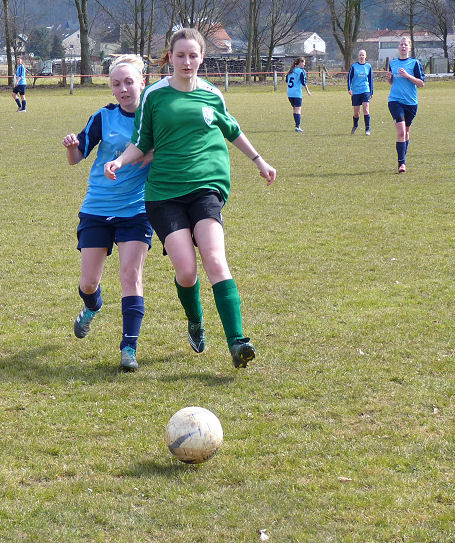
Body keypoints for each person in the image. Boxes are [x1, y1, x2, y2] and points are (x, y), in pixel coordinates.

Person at [104, 28, 276, 369]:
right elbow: (141, 141)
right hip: (164, 194)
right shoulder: (154, 96)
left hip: (205, 187)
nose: (187, 62)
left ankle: (238, 341)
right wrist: (120, 161)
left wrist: (259, 160)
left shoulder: (212, 94)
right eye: (180, 55)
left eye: (193, 55)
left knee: (214, 257)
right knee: (186, 271)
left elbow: (233, 130)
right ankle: (195, 319)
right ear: (170, 56)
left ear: (202, 57)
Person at [62, 55, 153, 372]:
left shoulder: (155, 116)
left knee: (131, 276)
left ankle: (129, 347)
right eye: (116, 84)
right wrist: (72, 145)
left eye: (129, 82)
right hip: (97, 208)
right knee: (88, 283)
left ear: (143, 80)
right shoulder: (103, 116)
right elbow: (77, 157)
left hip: (136, 210)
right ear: (111, 88)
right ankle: (92, 307)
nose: (124, 89)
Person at [387, 37, 425, 173]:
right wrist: (390, 79)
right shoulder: (393, 63)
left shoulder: (415, 63)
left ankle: (403, 157)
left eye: (406, 44)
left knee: (407, 132)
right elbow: (392, 83)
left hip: (411, 103)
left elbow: (421, 84)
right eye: (401, 44)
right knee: (401, 131)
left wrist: (408, 76)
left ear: (410, 47)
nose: (403, 47)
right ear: (398, 47)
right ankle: (401, 164)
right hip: (395, 101)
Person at [347, 50, 373, 135]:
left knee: (366, 109)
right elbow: (349, 78)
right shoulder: (354, 66)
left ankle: (367, 129)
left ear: (365, 56)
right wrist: (349, 89)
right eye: (360, 55)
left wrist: (371, 92)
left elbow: (370, 80)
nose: (361, 56)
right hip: (356, 91)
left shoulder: (368, 66)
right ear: (358, 56)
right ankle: (355, 125)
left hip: (365, 90)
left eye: (363, 55)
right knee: (356, 112)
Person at [286, 57, 311, 133]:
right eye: (303, 63)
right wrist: (308, 91)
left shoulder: (291, 70)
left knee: (295, 109)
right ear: (300, 63)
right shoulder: (301, 71)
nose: (304, 64)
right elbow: (304, 82)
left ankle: (297, 125)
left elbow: (287, 80)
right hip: (297, 93)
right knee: (298, 109)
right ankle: (298, 127)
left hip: (290, 93)